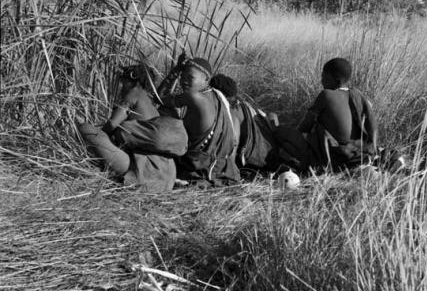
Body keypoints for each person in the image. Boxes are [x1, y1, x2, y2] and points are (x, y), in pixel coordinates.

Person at [77, 63, 188, 191]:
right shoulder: (150, 99)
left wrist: (100, 136)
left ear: (133, 81)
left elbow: (113, 123)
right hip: (167, 174)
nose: (121, 88)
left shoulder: (133, 94)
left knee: (86, 129)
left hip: (146, 171)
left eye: (123, 84)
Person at [275, 57, 378, 173]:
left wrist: (294, 135)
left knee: (280, 132)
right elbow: (373, 127)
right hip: (360, 152)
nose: (321, 80)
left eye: (324, 77)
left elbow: (305, 127)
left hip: (335, 155)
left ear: (336, 80)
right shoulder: (357, 94)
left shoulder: (326, 95)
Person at [156, 58, 240, 187]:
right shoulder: (218, 98)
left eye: (190, 77)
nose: (183, 81)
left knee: (164, 109)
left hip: (198, 169)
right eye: (182, 76)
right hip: (223, 171)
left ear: (206, 80)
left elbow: (159, 98)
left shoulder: (194, 97)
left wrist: (175, 71)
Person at [209, 73, 281, 172]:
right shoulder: (243, 105)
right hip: (270, 156)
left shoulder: (233, 113)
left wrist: (228, 171)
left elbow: (233, 145)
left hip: (259, 161)